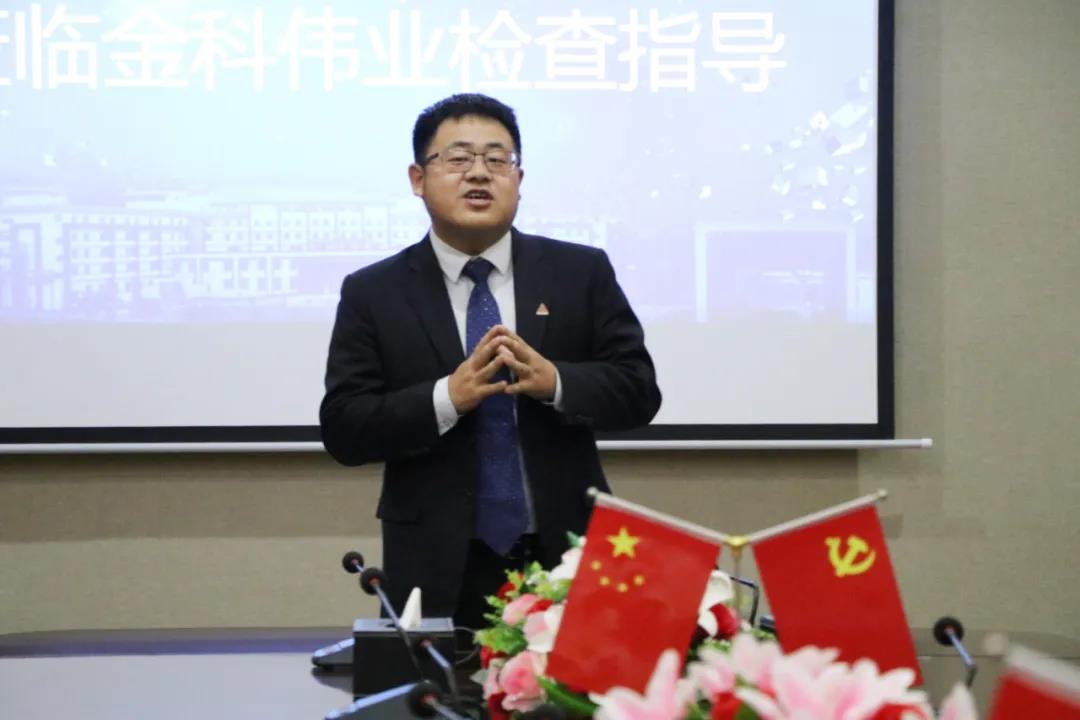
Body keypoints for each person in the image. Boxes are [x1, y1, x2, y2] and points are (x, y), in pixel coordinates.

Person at [319, 93, 661, 638]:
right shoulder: (374, 292)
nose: (479, 173)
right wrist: (445, 399)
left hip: (564, 551)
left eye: (497, 159)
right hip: (434, 561)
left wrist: (556, 382)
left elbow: (639, 391)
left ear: (518, 179)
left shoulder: (579, 272)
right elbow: (345, 428)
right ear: (417, 178)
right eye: (458, 158)